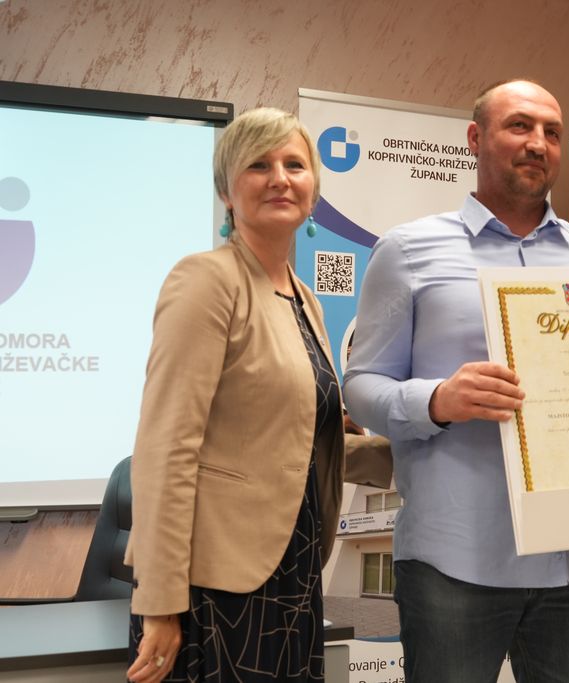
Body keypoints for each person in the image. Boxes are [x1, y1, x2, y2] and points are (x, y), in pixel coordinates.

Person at [344, 79, 569, 683]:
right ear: (476, 138)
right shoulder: (408, 250)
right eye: (519, 126)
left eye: (552, 132)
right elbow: (361, 384)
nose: (538, 143)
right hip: (455, 563)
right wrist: (437, 400)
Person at [124, 107, 390, 683]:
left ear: (313, 191)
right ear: (226, 190)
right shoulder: (206, 280)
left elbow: (294, 442)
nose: (280, 178)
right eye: (259, 165)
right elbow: (165, 448)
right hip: (215, 585)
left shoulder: (304, 298)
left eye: (295, 165)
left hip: (293, 571)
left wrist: (422, 448)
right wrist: (160, 604)